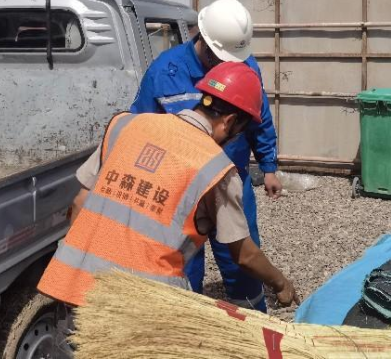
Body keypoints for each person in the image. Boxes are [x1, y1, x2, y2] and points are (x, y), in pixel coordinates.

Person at [37, 61, 299, 313]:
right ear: (229, 122)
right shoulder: (216, 168)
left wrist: (86, 264)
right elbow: (244, 255)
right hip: (144, 306)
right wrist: (280, 283)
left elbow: (80, 202)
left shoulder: (126, 125)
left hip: (73, 284)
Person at [128, 0, 281, 311]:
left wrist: (269, 166)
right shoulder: (165, 72)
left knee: (242, 262)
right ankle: (190, 322)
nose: (230, 64)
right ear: (206, 44)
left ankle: (251, 321)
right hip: (180, 191)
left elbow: (260, 118)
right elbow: (142, 130)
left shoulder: (245, 66)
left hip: (230, 181)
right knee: (184, 266)